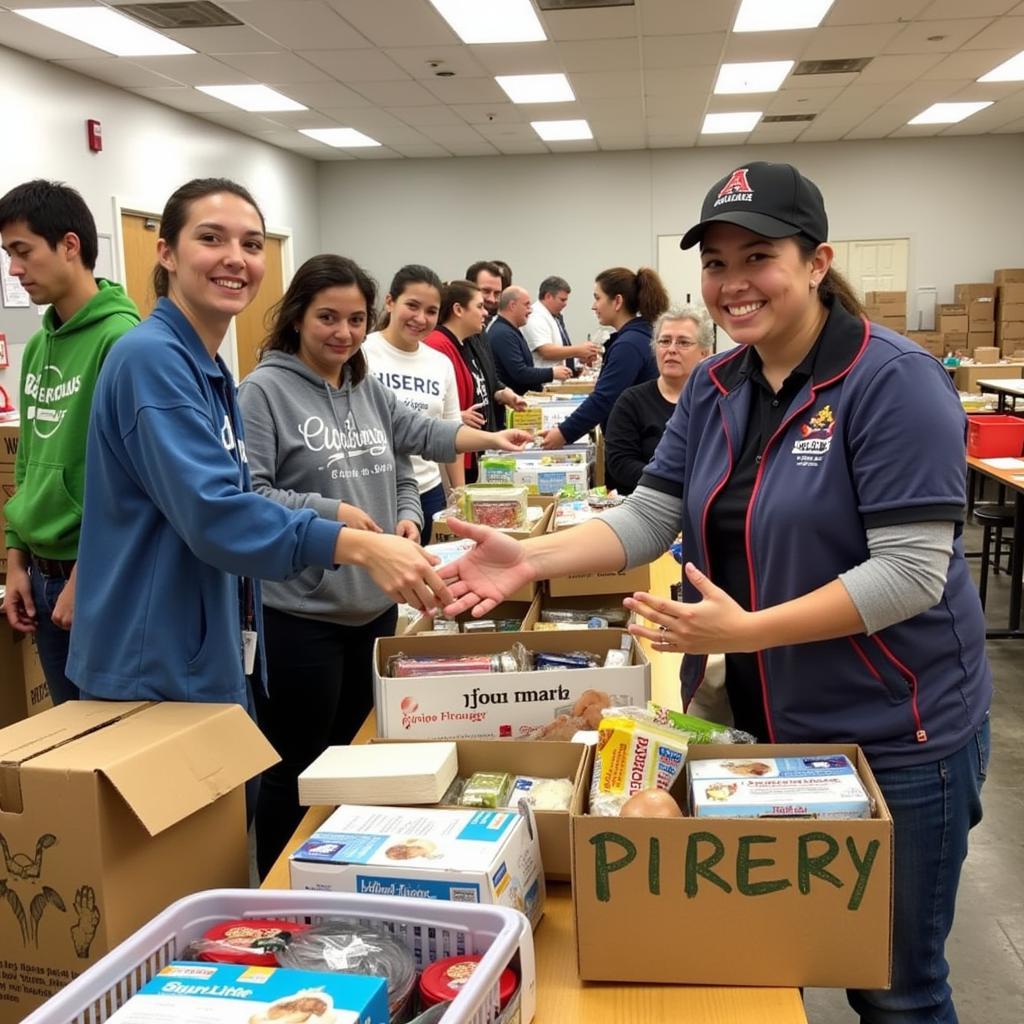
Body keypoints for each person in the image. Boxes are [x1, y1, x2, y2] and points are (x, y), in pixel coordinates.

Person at [438, 161, 991, 1024]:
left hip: (898, 733)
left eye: (758, 256)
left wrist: (749, 632)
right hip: (772, 730)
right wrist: (531, 560)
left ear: (816, 262)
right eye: (717, 262)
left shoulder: (892, 381)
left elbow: (912, 572)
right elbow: (652, 515)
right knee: (777, 960)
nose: (734, 284)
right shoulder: (717, 383)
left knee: (895, 989)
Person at [66, 178, 452, 714]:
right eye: (211, 239)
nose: (235, 259)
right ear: (167, 253)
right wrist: (357, 544)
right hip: (155, 659)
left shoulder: (209, 368)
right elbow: (216, 512)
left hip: (205, 642)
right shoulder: (152, 360)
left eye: (250, 244)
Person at [236, 253, 531, 874]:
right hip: (303, 614)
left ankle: (337, 872)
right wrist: (335, 510)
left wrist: (419, 504)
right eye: (326, 318)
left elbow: (412, 445)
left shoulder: (363, 384)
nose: (342, 333)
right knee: (298, 768)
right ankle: (279, 885)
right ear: (296, 317)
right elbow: (252, 496)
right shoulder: (262, 391)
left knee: (356, 756)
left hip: (372, 611)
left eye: (353, 319)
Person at [0, 180, 140, 704]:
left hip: (97, 578)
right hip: (40, 575)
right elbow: (30, 462)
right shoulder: (38, 346)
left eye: (22, 251)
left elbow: (133, 483)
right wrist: (16, 561)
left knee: (110, 737)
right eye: (8, 254)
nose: (14, 269)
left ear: (69, 246)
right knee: (70, 738)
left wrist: (88, 575)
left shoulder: (121, 342)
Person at [363, 264, 461, 543]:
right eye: (412, 306)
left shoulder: (441, 363)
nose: (421, 318)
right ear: (390, 302)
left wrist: (458, 494)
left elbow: (451, 432)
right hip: (374, 491)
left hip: (427, 490)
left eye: (431, 311)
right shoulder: (361, 353)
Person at [540, 266, 669, 450]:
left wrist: (562, 433)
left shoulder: (628, 345)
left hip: (635, 446)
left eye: (597, 298)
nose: (594, 306)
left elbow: (604, 399)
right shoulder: (637, 336)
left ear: (617, 301)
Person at [603, 305, 712, 494]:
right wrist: (673, 482)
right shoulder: (631, 401)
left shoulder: (718, 402)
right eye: (664, 341)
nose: (671, 349)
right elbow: (619, 464)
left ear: (704, 353)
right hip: (647, 502)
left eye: (683, 342)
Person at [426, 279, 526, 481]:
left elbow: (484, 383)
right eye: (479, 306)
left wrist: (501, 393)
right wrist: (456, 417)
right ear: (458, 310)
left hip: (471, 448)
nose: (486, 312)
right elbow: (426, 408)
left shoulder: (467, 342)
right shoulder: (438, 345)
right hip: (452, 456)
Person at [488, 285, 572, 395]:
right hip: (512, 402)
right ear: (512, 305)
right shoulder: (503, 334)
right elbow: (520, 373)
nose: (530, 310)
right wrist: (552, 373)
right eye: (526, 305)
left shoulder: (510, 330)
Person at [521, 275, 600, 372]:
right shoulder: (535, 316)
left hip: (558, 380)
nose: (565, 304)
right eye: (562, 300)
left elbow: (561, 350)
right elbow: (546, 351)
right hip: (543, 382)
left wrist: (580, 358)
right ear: (548, 296)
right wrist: (578, 350)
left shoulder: (554, 317)